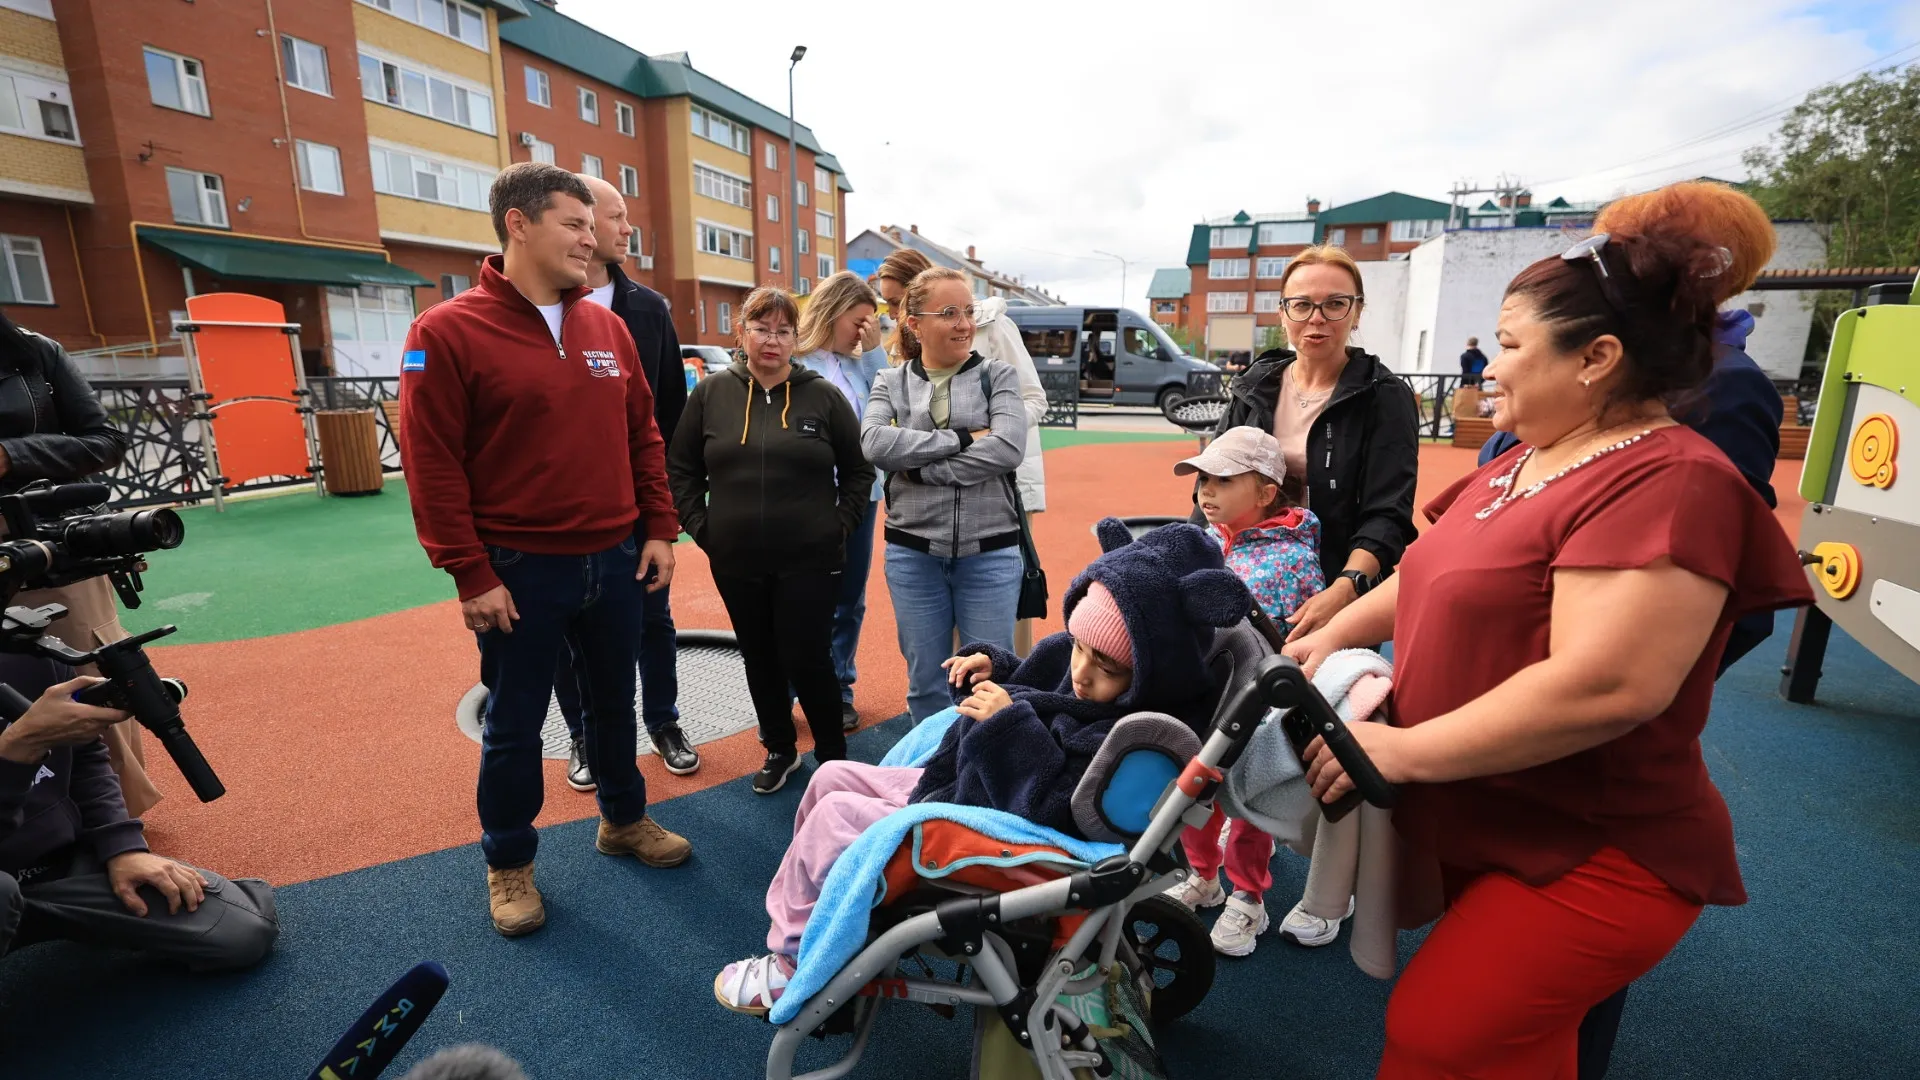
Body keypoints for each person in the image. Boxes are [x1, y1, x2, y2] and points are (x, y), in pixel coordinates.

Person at [1286, 181, 1812, 1079]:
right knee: (1518, 1050)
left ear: (1597, 357)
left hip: (1594, 842)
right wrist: (1326, 637)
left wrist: (1401, 753)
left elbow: (1610, 684)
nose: (1486, 369)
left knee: (1438, 1034)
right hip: (1495, 813)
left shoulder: (1671, 478)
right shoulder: (1529, 457)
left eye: (1509, 346)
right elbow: (1431, 569)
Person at [1473, 188, 1788, 1080]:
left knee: (1565, 937)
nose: (1608, 254)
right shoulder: (1588, 381)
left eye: (1632, 241)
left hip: (1588, 698)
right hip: (1520, 672)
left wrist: (1626, 682)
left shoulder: (1715, 392)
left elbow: (1706, 572)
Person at [711, 520, 1252, 1015]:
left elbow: (1058, 807)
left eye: (1104, 666)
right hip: (973, 785)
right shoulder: (1098, 667)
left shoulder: (1134, 735)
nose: (1082, 672)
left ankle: (791, 964)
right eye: (1081, 649)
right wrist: (997, 667)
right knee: (831, 778)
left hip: (1008, 822)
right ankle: (832, 915)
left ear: (1153, 669)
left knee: (834, 819)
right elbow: (1046, 686)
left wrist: (1005, 725)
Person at [399, 162, 691, 938]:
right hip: (520, 570)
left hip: (617, 557)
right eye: (574, 224)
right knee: (517, 724)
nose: (590, 241)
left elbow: (642, 435)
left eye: (593, 228)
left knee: (612, 704)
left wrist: (659, 526)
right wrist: (469, 571)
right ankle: (509, 862)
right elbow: (430, 461)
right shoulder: (446, 331)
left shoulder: (607, 326)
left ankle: (623, 820)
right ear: (518, 225)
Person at [669, 286, 872, 795]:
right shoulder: (712, 394)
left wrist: (837, 525)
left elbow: (858, 470)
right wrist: (704, 528)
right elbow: (682, 468)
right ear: (741, 333)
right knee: (759, 654)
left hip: (811, 556)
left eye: (784, 331)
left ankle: (832, 759)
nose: (772, 341)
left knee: (807, 656)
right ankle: (781, 749)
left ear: (795, 337)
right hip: (736, 557)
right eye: (761, 329)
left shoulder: (820, 395)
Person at [549, 173, 699, 789]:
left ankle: (662, 721)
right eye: (611, 217)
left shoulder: (647, 309)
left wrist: (664, 509)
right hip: (564, 513)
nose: (622, 230)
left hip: (638, 507)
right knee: (565, 629)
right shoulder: (545, 308)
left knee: (652, 618)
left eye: (611, 220)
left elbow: (665, 413)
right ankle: (583, 734)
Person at [1194, 245, 1420, 655]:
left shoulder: (1383, 396)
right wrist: (1193, 560)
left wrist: (1345, 589)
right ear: (1283, 313)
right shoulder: (1255, 387)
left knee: (1321, 701)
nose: (1317, 318)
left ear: (1357, 311)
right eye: (1301, 305)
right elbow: (1212, 479)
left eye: (1335, 304)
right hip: (1248, 576)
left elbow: (1387, 513)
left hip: (1335, 581)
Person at [0, 653, 277, 971]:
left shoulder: (25, 649)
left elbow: (86, 755)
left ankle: (61, 916)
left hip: (58, 865)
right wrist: (19, 745)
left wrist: (122, 847)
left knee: (242, 931)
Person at [1160, 426, 1324, 956]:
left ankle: (1248, 899)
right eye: (1202, 479)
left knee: (1252, 807)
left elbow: (1301, 641)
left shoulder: (1292, 560)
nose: (1206, 491)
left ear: (1266, 491)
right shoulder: (1202, 546)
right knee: (1196, 797)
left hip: (1261, 712)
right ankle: (1204, 878)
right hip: (1206, 702)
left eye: (1223, 480)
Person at [0, 312, 156, 818]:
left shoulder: (33, 352)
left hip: (41, 537)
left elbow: (105, 441)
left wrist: (10, 456)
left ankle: (116, 828)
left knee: (82, 667)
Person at [862, 267, 1028, 723]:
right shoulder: (889, 382)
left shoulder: (999, 376)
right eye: (949, 313)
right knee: (928, 684)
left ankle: (987, 773)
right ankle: (934, 773)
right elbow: (875, 443)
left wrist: (915, 467)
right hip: (913, 555)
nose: (964, 324)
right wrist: (963, 438)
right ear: (914, 322)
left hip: (990, 553)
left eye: (968, 312)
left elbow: (1009, 448)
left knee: (989, 682)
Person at [874, 249, 1051, 655]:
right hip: (922, 521)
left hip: (991, 497)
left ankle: (999, 710)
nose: (892, 309)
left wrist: (993, 434)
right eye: (888, 301)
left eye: (896, 298)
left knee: (996, 645)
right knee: (934, 653)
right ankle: (946, 716)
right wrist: (963, 438)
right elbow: (878, 439)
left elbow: (1029, 401)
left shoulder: (989, 329)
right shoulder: (897, 359)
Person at [794, 271, 892, 732]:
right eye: (858, 322)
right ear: (832, 314)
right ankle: (788, 690)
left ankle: (839, 687)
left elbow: (890, 406)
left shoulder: (861, 366)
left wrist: (874, 351)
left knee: (848, 598)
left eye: (870, 323)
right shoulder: (795, 363)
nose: (863, 331)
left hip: (860, 498)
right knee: (797, 596)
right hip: (802, 502)